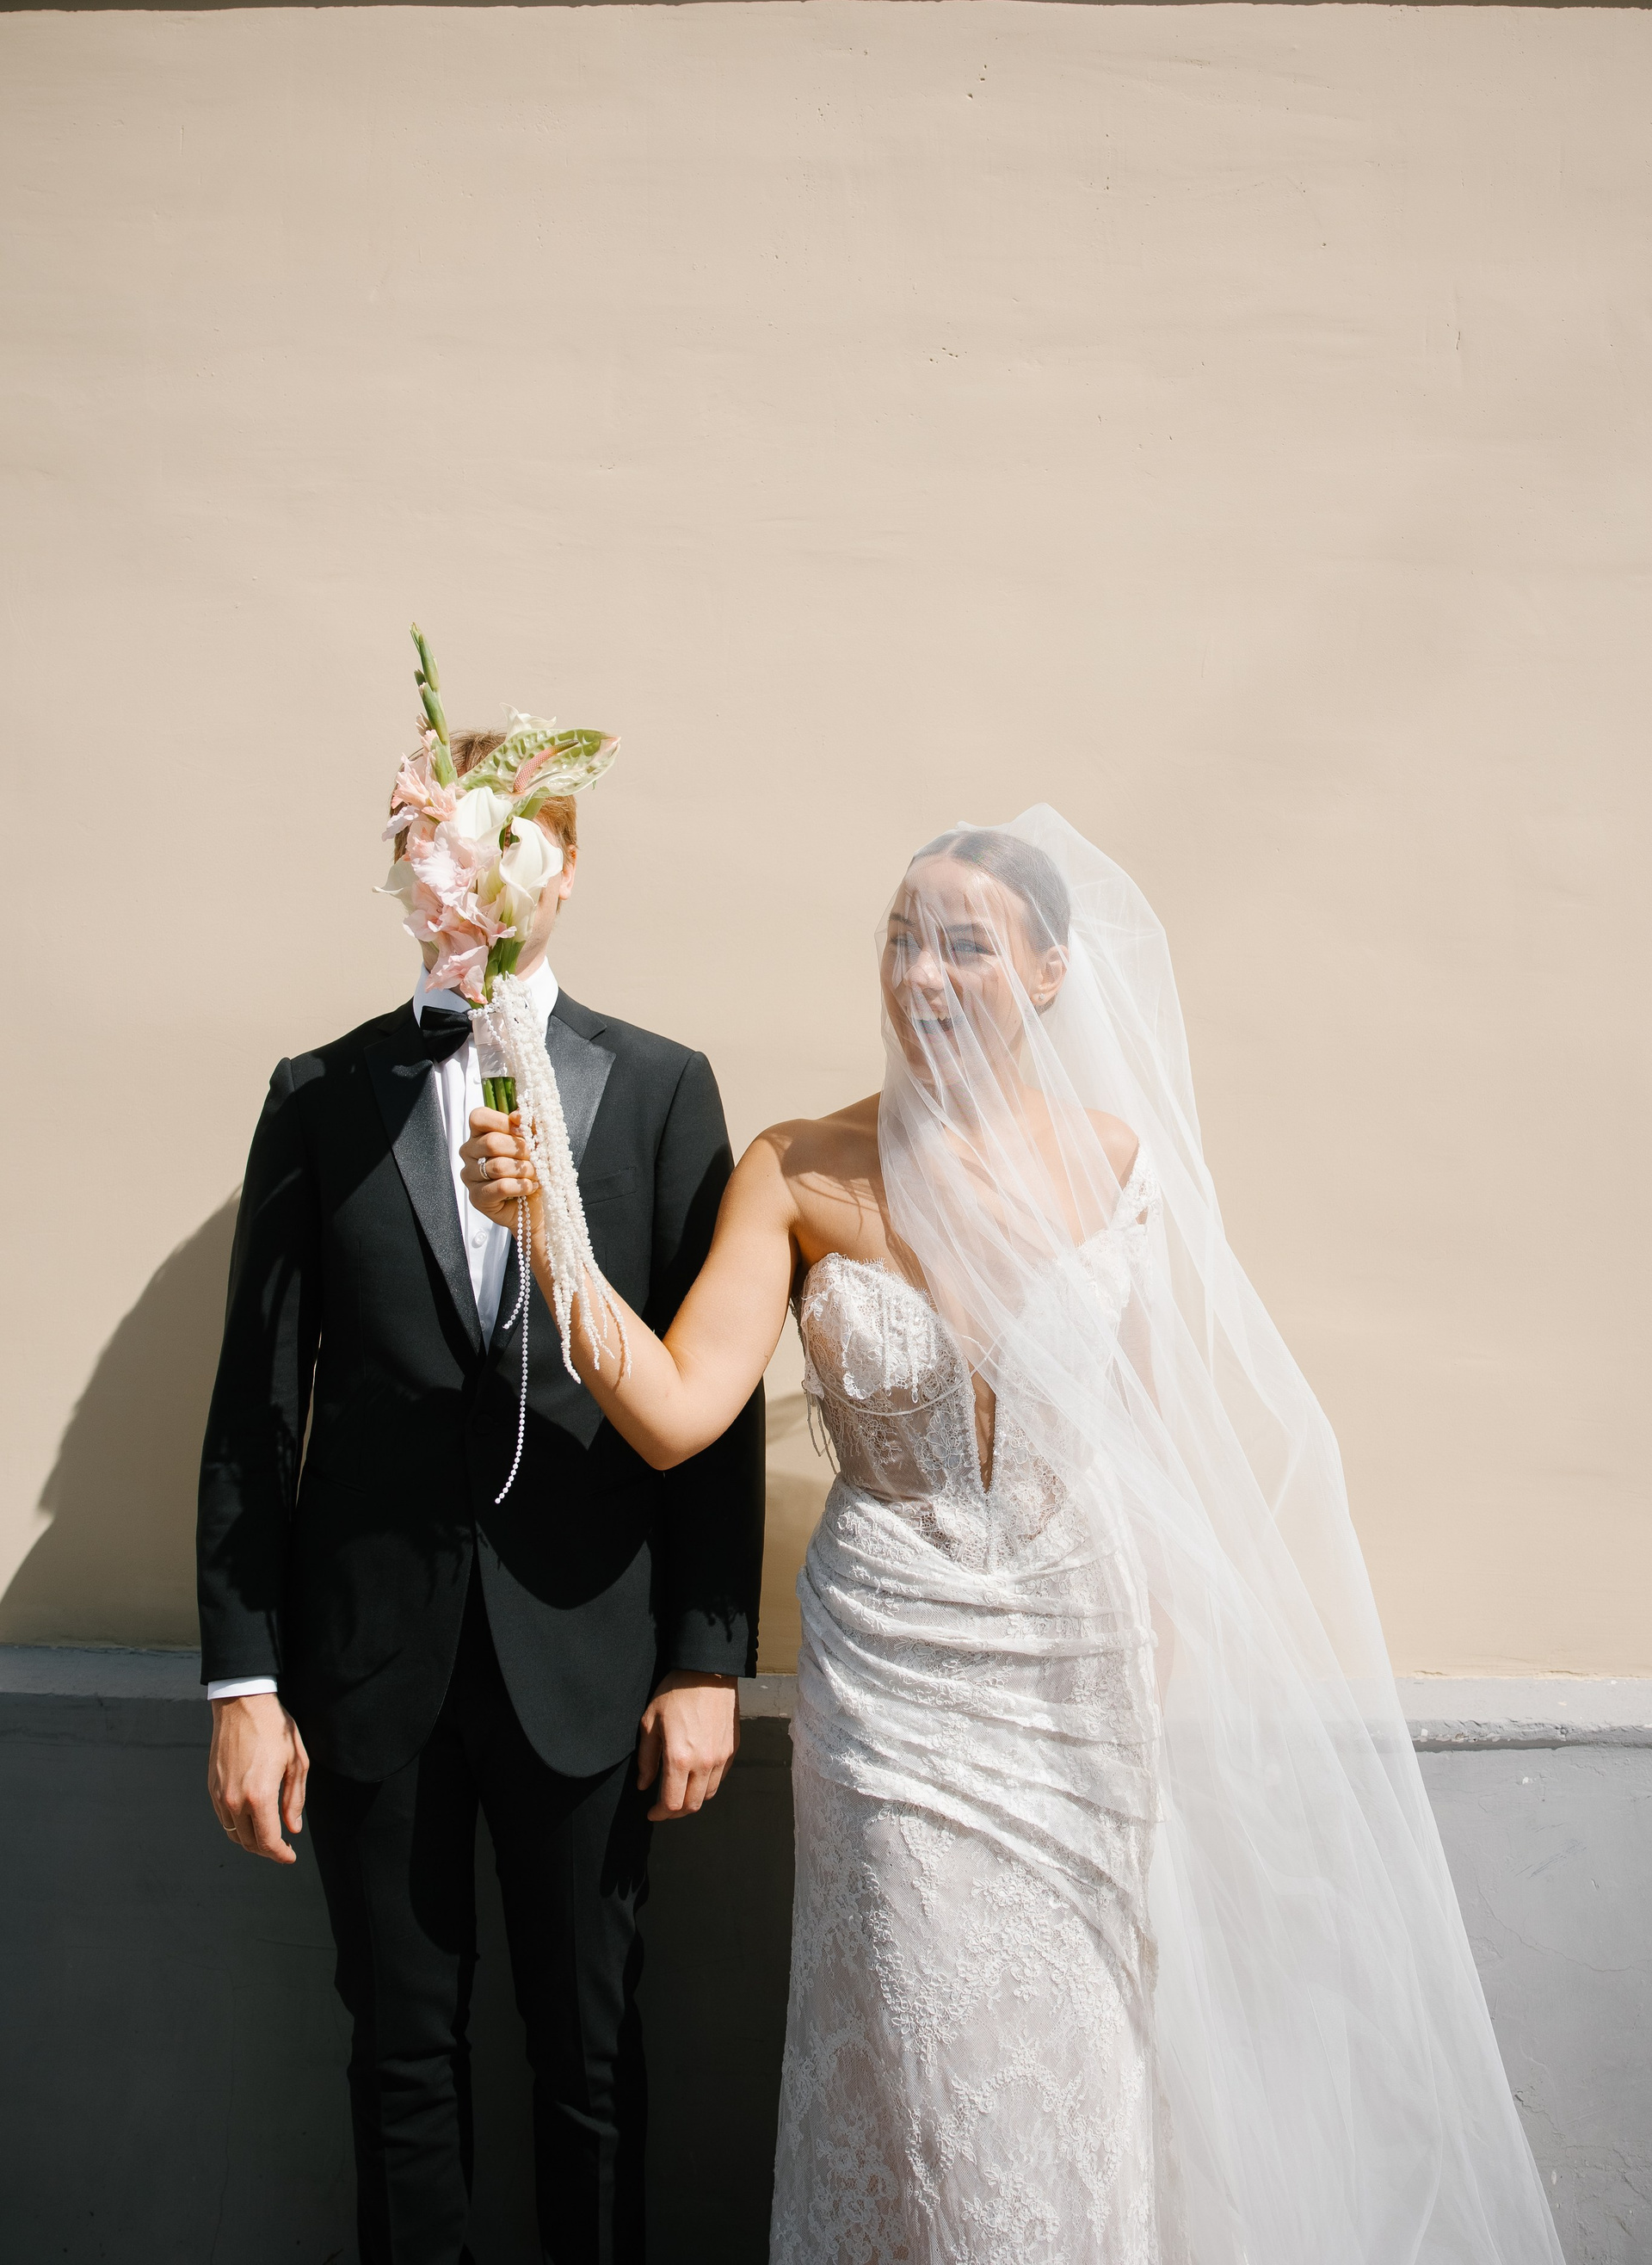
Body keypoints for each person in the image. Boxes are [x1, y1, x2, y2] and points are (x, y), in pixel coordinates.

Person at [463, 805, 1566, 2265]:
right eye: (901, 941)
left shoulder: (1116, 1165)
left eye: (964, 946)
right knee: (930, 2064)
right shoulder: (796, 1168)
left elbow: (1159, 1443)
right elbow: (674, 1414)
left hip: (1079, 1678)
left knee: (1079, 2073)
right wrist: (549, 1240)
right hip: (895, 1681)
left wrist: (1156, 1693)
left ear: (1050, 972)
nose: (921, 973)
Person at [196, 727, 765, 2265]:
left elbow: (710, 1406)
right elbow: (256, 1408)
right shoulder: (320, 1095)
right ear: (411, 875)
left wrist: (706, 1657)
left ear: (560, 875)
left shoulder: (662, 1089)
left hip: (591, 1654)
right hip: (370, 1666)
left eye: (503, 855)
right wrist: (244, 1682)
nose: (467, 888)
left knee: (593, 2055)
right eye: (437, 856)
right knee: (399, 2057)